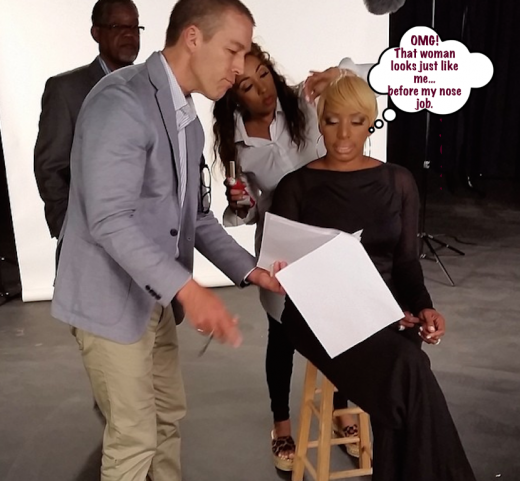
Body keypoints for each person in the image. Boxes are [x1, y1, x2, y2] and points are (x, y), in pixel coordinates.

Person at [51, 1, 283, 480]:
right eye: (233, 51)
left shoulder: (187, 117)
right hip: (108, 301)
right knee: (134, 437)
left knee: (166, 419)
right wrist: (188, 290)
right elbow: (109, 220)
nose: (239, 67)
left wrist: (251, 269)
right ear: (193, 38)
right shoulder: (121, 100)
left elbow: (194, 217)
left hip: (153, 297)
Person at [270, 74, 476, 481]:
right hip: (320, 317)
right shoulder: (297, 187)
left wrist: (424, 307)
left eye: (356, 121)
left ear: (371, 123)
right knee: (408, 369)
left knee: (401, 385)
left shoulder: (398, 181)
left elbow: (406, 264)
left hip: (391, 311)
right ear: (320, 121)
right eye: (332, 121)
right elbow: (291, 278)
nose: (344, 134)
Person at [212, 43, 373, 469]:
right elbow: (248, 210)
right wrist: (241, 202)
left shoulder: (305, 102)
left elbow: (367, 80)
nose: (262, 89)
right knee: (282, 337)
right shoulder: (237, 143)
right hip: (282, 249)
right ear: (234, 95)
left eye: (264, 75)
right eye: (248, 86)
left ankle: (341, 413)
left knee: (339, 332)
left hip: (330, 237)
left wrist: (338, 76)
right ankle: (281, 425)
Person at [34, 0, 141, 241]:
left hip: (148, 235)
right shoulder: (66, 90)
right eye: (117, 26)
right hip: (88, 239)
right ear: (96, 33)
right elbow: (50, 168)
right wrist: (68, 230)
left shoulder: (153, 87)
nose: (129, 34)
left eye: (134, 27)